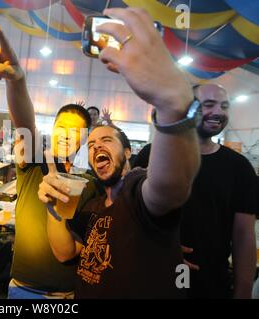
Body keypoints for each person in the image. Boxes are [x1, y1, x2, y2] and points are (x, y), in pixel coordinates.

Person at [38, 7, 201, 298]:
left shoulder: (138, 190)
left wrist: (172, 106)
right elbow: (65, 253)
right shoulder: (94, 206)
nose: (96, 146)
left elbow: (170, 188)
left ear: (127, 151)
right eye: (90, 145)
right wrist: (53, 208)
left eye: (106, 141)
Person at [0, 26, 99, 299]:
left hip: (69, 293)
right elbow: (25, 123)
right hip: (23, 289)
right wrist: (17, 81)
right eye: (61, 127)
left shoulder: (90, 183)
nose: (66, 135)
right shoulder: (36, 161)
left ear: (84, 139)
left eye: (75, 131)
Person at [134, 83, 258, 298]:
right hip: (152, 275)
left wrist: (243, 292)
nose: (218, 112)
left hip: (210, 284)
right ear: (187, 108)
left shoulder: (239, 168)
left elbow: (244, 236)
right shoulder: (152, 155)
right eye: (208, 104)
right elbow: (129, 215)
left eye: (224, 106)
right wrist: (160, 248)